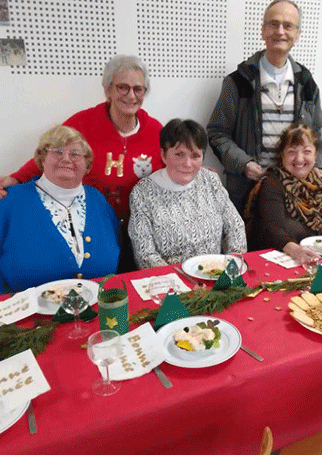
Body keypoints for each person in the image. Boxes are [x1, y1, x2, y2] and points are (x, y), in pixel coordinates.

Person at [0, 54, 163, 225]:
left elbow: (171, 172)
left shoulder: (156, 130)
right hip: (91, 223)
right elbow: (50, 154)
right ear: (108, 90)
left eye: (138, 89)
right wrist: (15, 179)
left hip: (141, 226)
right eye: (123, 87)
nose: (131, 96)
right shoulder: (83, 123)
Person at [207, 0, 322, 213]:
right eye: (273, 24)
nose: (280, 31)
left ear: (297, 34)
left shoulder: (307, 83)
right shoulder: (238, 81)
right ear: (263, 31)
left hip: (294, 192)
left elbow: (316, 134)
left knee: (292, 246)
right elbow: (217, 133)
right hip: (248, 192)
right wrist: (244, 164)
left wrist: (317, 166)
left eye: (288, 26)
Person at [0, 126, 120, 293]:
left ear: (87, 165)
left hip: (97, 313)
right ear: (42, 159)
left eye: (75, 154)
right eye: (57, 151)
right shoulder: (9, 200)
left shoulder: (98, 200)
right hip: (23, 316)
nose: (66, 159)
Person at [129, 119, 247, 268]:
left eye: (195, 155)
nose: (188, 163)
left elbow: (236, 227)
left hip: (215, 276)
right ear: (163, 155)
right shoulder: (143, 192)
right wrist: (176, 281)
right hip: (171, 283)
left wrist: (231, 266)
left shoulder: (210, 180)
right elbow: (145, 254)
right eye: (179, 154)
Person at [246, 124, 322, 264]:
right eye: (292, 152)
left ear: (315, 155)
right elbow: (271, 229)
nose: (299, 159)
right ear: (282, 155)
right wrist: (295, 250)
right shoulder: (272, 183)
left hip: (318, 261)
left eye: (307, 151)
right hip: (284, 262)